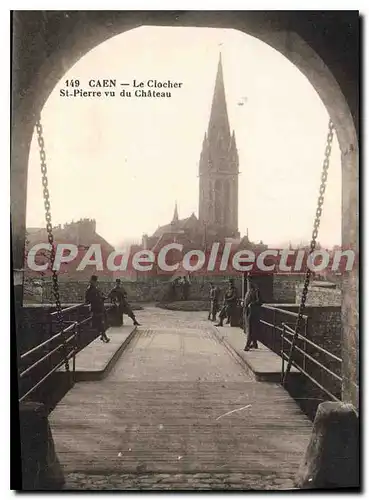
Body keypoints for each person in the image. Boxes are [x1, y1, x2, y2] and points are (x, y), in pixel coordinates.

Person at [85, 275, 110, 343]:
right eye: (94, 281)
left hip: (101, 307)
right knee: (100, 323)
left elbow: (100, 296)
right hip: (96, 308)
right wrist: (96, 300)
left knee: (103, 322)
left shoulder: (96, 289)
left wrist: (103, 298)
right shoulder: (89, 289)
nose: (95, 282)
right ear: (92, 281)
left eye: (95, 281)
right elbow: (87, 300)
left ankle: (102, 336)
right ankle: (104, 336)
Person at [243, 280, 262, 351]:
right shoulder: (249, 291)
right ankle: (254, 343)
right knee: (250, 328)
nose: (250, 283)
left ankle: (247, 345)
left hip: (253, 312)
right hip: (247, 312)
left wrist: (252, 303)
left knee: (250, 329)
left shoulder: (256, 291)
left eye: (251, 281)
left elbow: (259, 301)